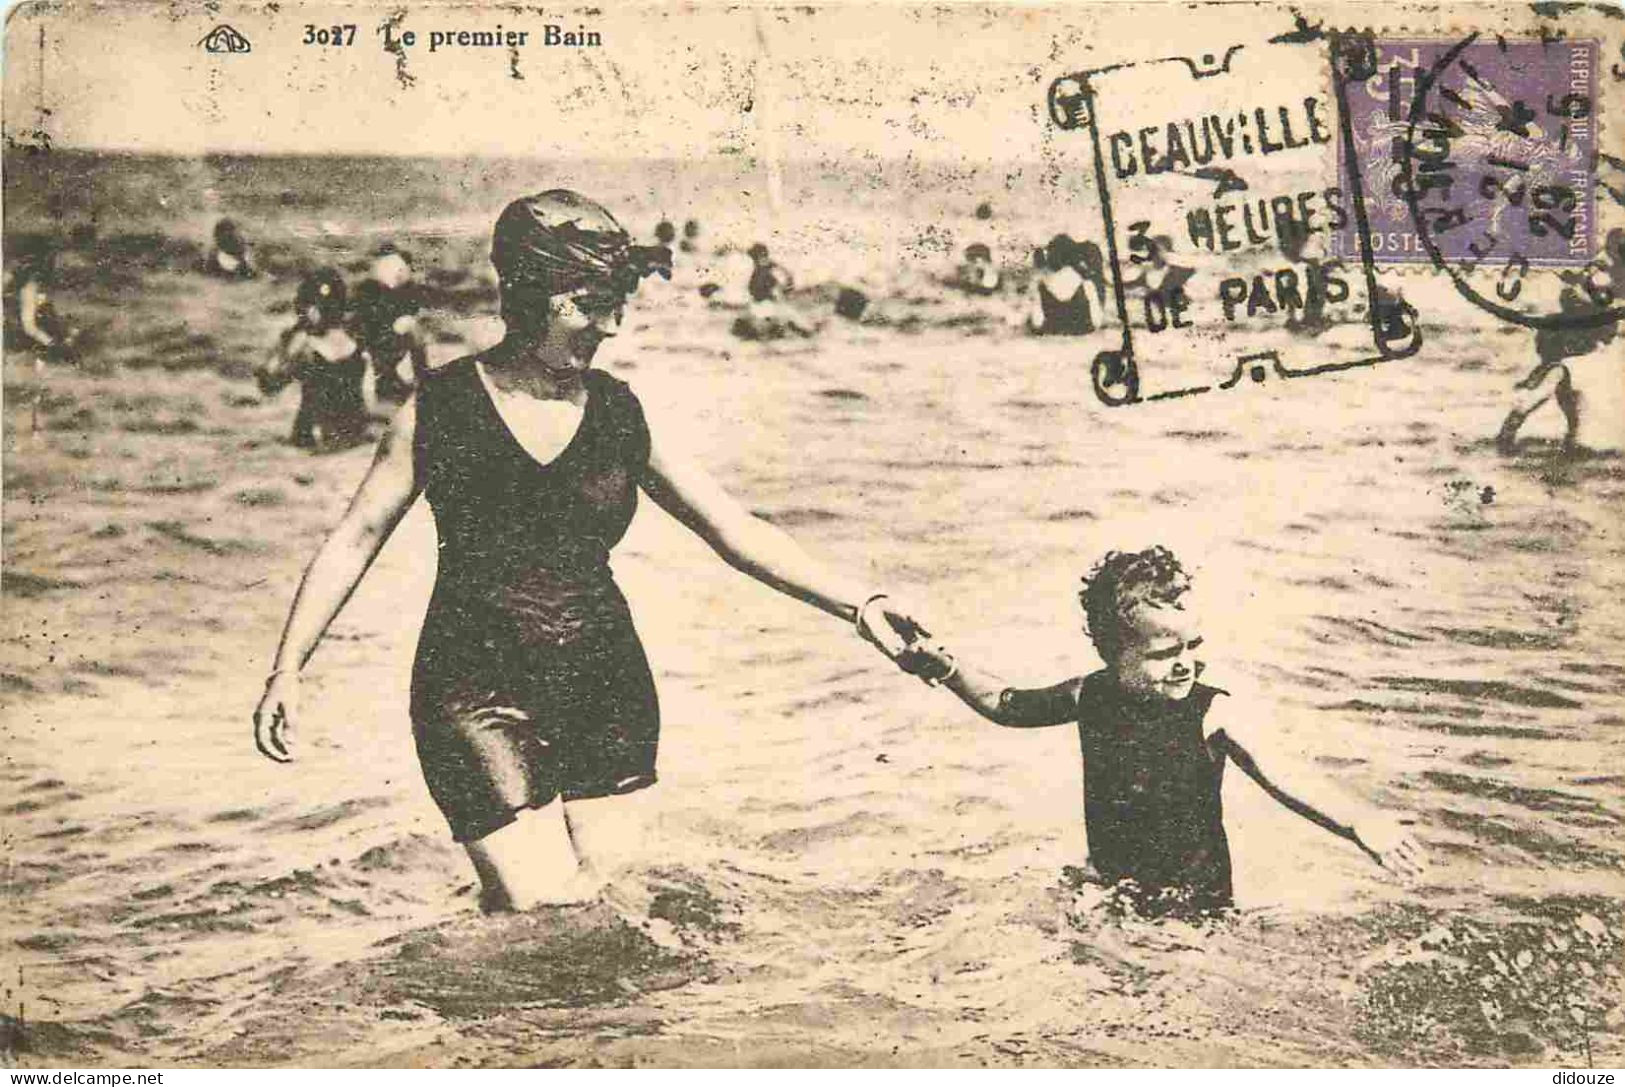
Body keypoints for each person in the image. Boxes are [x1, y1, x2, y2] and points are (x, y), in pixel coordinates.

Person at [252, 190, 919, 912]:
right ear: (530, 295)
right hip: (474, 692)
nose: (610, 325)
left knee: (609, 913)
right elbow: (354, 538)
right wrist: (289, 666)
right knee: (540, 911)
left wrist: (862, 605)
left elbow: (733, 528)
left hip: (605, 682)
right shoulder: (440, 409)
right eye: (589, 303)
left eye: (616, 302)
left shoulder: (617, 412)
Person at [896, 546, 1426, 918]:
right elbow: (1005, 705)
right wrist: (945, 668)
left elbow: (1285, 774)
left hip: (1194, 908)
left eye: (1193, 647)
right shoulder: (1092, 695)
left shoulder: (1210, 712)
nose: (1185, 665)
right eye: (1164, 653)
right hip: (1115, 889)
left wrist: (1359, 821)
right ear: (1112, 653)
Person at [1496, 229, 1625, 456]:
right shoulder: (1601, 273)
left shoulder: (1603, 274)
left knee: (1566, 395)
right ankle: (1513, 431)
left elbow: (1577, 296)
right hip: (1582, 344)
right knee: (1561, 388)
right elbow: (1575, 298)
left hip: (1585, 343)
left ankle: (1517, 432)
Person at [256, 268, 369, 450]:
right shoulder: (357, 340)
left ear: (311, 308)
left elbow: (269, 385)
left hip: (314, 439)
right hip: (356, 436)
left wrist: (282, 348)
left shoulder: (304, 343)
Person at [351, 243, 428, 403]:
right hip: (379, 341)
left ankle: (419, 379)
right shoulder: (373, 290)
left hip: (381, 341)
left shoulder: (381, 287)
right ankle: (421, 378)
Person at [9, 244, 81, 361]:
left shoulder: (38, 288)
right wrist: (51, 344)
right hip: (26, 332)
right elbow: (29, 327)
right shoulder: (29, 290)